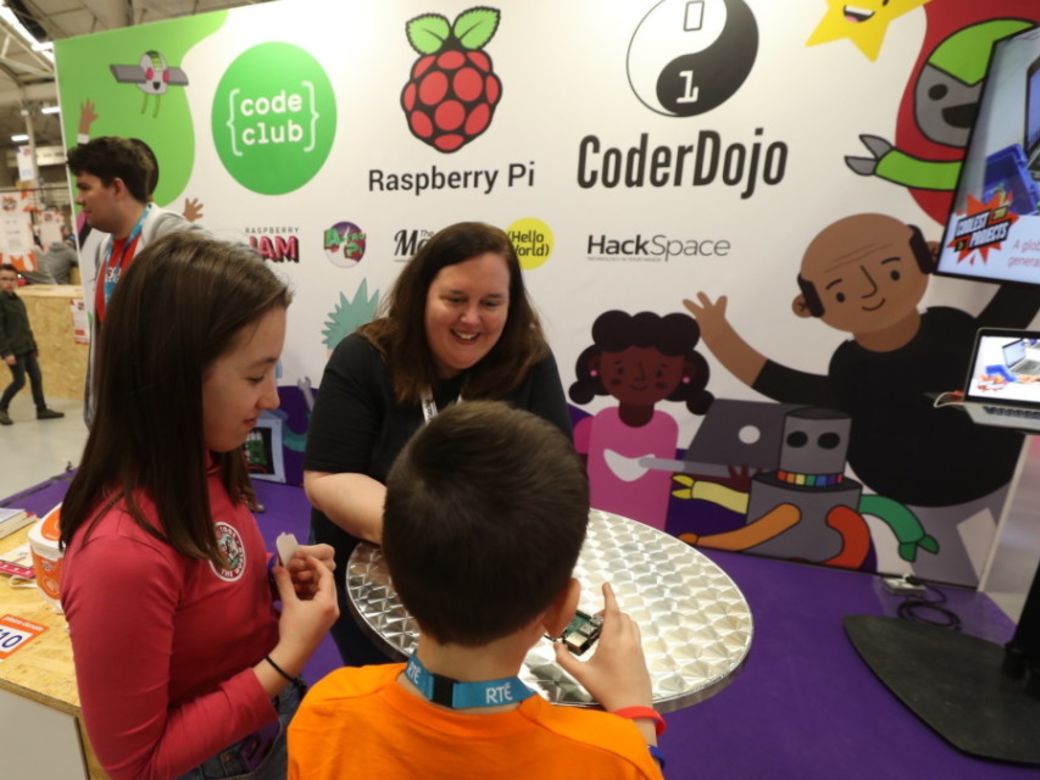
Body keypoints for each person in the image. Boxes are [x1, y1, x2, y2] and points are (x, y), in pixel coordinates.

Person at [59, 233, 339, 779]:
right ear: (175, 377)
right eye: (255, 376)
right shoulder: (120, 553)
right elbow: (136, 764)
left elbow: (206, 592)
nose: (273, 398)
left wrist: (275, 586)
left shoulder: (209, 461)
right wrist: (285, 661)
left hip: (263, 729)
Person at [289, 401, 665, 779]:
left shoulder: (325, 710)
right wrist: (636, 716)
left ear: (397, 580)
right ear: (561, 608)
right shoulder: (612, 758)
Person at [304, 221, 571, 665]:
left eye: (491, 303)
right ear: (422, 294)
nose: (471, 319)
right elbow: (329, 477)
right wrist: (430, 540)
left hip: (490, 581)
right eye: (455, 299)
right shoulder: (365, 357)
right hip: (372, 575)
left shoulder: (529, 359)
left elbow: (557, 475)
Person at [66, 136, 204, 424]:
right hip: (121, 418)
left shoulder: (166, 234)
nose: (79, 199)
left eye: (85, 188)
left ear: (117, 187)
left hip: (162, 420)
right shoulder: (105, 248)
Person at [569, 310, 713, 530]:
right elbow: (571, 478)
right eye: (621, 368)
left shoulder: (667, 428)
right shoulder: (593, 427)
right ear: (596, 367)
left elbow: (669, 478)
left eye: (659, 372)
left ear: (685, 373)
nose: (639, 379)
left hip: (650, 529)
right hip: (590, 526)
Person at [0, 263, 64, 425]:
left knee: (36, 377)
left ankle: (41, 409)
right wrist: (6, 352)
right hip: (14, 350)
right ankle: (2, 409)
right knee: (19, 381)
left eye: (12, 279)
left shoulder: (17, 300)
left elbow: (24, 325)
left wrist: (33, 345)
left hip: (26, 347)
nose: (8, 282)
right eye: (4, 279)